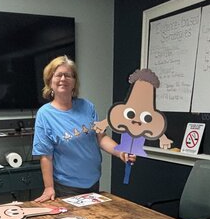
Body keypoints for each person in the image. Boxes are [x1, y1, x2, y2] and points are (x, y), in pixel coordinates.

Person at [32, 56, 134, 202]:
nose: (63, 79)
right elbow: (46, 156)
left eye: (68, 75)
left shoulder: (87, 106)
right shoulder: (45, 114)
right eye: (58, 75)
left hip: (93, 182)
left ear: (74, 82)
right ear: (50, 81)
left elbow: (101, 138)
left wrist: (121, 151)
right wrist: (49, 187)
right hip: (66, 187)